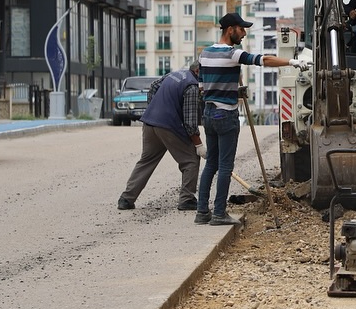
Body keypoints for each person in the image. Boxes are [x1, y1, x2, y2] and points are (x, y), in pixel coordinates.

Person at [197, 12, 309, 226]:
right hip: (225, 114)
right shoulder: (233, 53)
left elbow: (203, 87)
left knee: (211, 164)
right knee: (225, 166)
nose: (244, 33)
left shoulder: (204, 54)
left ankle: (202, 211)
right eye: (241, 29)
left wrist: (231, 90)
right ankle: (219, 213)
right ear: (230, 30)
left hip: (209, 114)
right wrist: (293, 62)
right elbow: (263, 60)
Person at [117, 63, 205, 211]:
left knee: (147, 160)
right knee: (190, 160)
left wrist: (154, 108)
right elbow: (190, 123)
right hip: (168, 126)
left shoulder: (174, 74)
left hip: (150, 123)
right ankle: (187, 199)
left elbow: (153, 86)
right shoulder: (192, 86)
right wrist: (199, 145)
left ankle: (126, 199)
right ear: (198, 71)